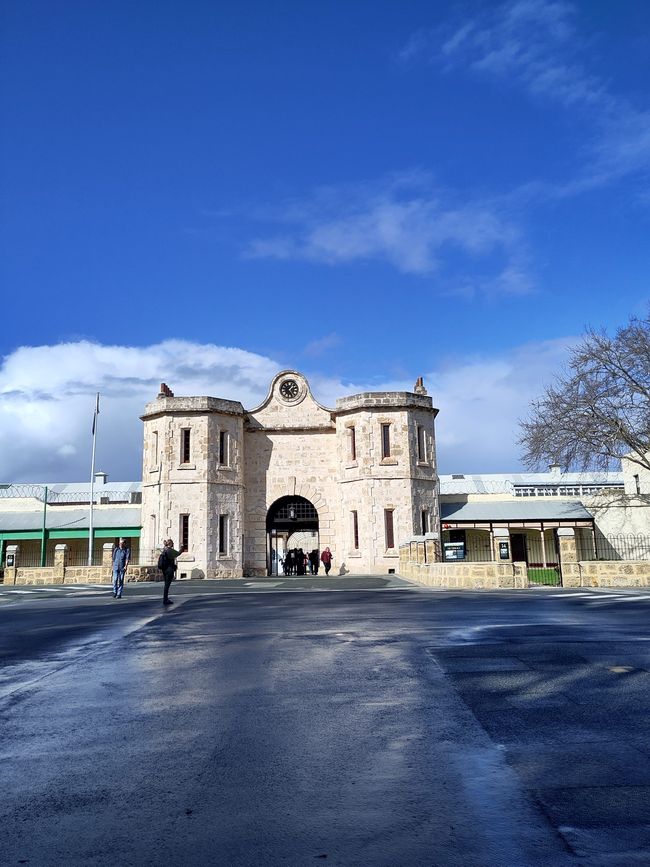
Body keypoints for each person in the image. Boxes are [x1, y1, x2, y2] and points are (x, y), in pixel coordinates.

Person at [159, 538, 181, 605]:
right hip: (169, 569)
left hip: (164, 569)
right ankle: (165, 599)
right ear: (171, 544)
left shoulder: (164, 550)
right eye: (172, 543)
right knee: (167, 585)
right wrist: (182, 547)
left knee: (166, 584)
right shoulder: (170, 551)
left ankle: (165, 598)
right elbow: (178, 553)